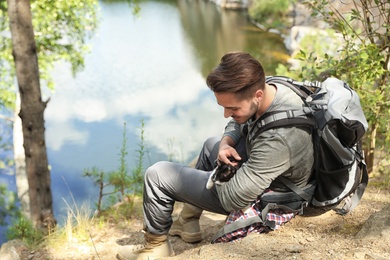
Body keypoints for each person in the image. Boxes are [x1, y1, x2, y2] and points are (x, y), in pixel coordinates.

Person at [116, 51, 314, 259]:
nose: (226, 114)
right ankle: (188, 222)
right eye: (224, 107)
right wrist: (225, 143)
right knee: (212, 144)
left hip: (277, 196)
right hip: (274, 172)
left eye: (232, 108)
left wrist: (219, 174)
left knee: (158, 175)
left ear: (257, 95)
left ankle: (157, 246)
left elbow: (232, 199)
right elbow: (239, 121)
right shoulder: (271, 88)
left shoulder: (280, 138)